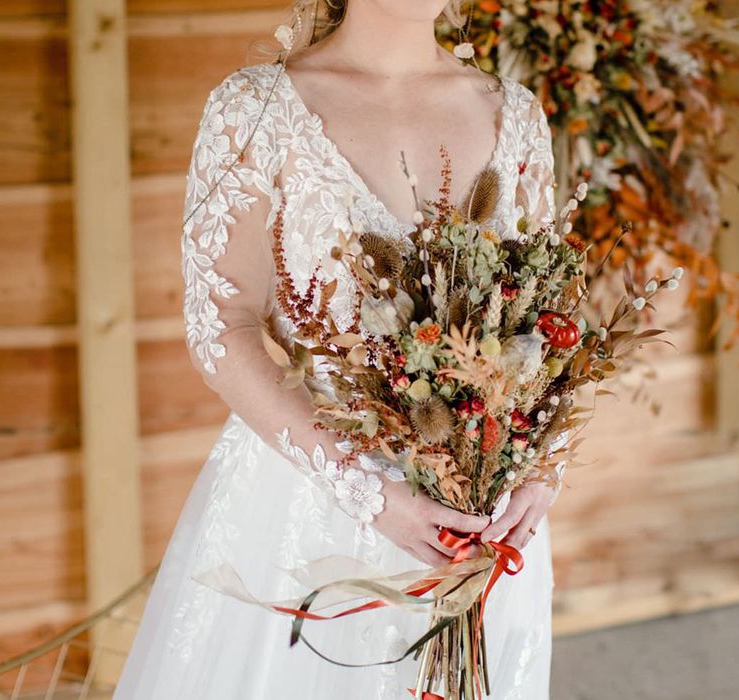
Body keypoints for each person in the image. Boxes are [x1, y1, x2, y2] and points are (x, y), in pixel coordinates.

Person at [114, 1, 564, 697]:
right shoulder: (258, 109)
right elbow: (221, 323)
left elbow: (549, 318)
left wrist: (541, 466)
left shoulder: (518, 115)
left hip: (485, 521)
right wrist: (363, 489)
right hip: (309, 514)